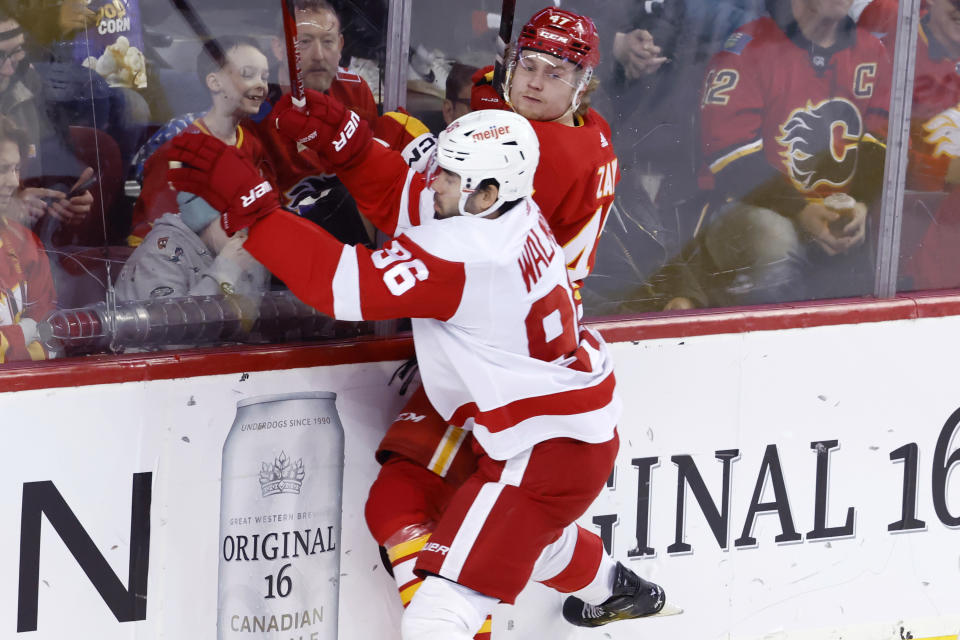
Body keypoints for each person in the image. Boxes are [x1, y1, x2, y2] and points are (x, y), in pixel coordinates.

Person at [165, 94, 670, 639]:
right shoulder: (507, 207)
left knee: (438, 614)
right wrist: (355, 150)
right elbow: (407, 196)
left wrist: (259, 214)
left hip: (543, 449)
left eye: (448, 177)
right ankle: (618, 587)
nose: (433, 183)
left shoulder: (468, 253)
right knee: (417, 506)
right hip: (526, 417)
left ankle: (599, 586)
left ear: (486, 192)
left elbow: (342, 285)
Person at [365, 8, 629, 636]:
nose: (535, 83)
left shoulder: (541, 156)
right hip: (538, 346)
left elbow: (441, 217)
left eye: (554, 73)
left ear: (583, 83)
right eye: (527, 67)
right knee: (506, 526)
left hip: (506, 365)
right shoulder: (586, 131)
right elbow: (502, 105)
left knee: (404, 502)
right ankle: (613, 584)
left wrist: (406, 145)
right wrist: (496, 94)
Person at [672, 0, 891, 307]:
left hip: (830, 210)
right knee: (774, 238)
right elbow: (730, 157)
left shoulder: (872, 51)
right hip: (745, 207)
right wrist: (801, 209)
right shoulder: (747, 48)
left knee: (897, 221)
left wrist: (863, 202)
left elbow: (881, 139)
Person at [127, 35, 272, 246]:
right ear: (214, 82)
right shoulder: (178, 149)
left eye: (265, 76)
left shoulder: (252, 143)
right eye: (248, 74)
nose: (261, 85)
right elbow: (149, 234)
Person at [0, 9, 93, 235]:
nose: (9, 69)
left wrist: (64, 195)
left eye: (17, 53)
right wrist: (7, 207)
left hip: (27, 247)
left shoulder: (29, 84)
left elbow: (57, 157)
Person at [116, 190, 268, 303]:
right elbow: (167, 329)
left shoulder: (245, 253)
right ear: (204, 217)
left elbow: (254, 323)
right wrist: (226, 271)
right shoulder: (162, 251)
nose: (245, 230)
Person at [0, 114, 56, 363]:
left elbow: (52, 338)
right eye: (2, 169)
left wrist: (8, 344)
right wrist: (24, 333)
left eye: (16, 168)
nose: (14, 181)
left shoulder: (25, 243)